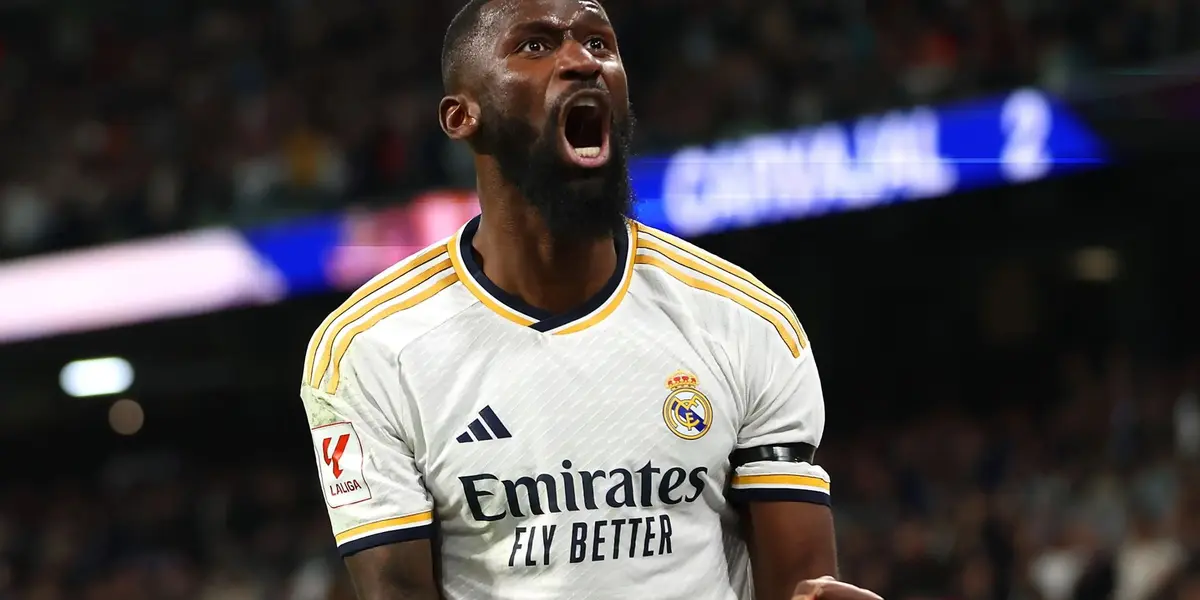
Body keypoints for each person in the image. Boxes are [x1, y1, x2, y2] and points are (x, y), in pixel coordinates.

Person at [299, 1, 885, 599]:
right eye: (536, 45)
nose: (583, 61)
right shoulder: (369, 350)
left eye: (600, 44)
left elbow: (801, 585)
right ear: (460, 116)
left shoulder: (746, 322)